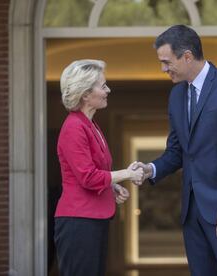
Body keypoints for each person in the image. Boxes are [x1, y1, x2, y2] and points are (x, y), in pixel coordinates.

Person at [135, 25, 217, 276]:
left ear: (186, 56)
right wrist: (151, 169)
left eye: (166, 62)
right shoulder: (176, 96)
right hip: (192, 211)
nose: (163, 69)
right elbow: (176, 151)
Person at [54, 59, 143, 276]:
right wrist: (127, 174)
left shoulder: (90, 125)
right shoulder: (74, 127)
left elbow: (91, 173)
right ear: (85, 94)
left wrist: (112, 188)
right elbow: (87, 177)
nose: (108, 90)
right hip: (78, 222)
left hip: (91, 219)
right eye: (103, 86)